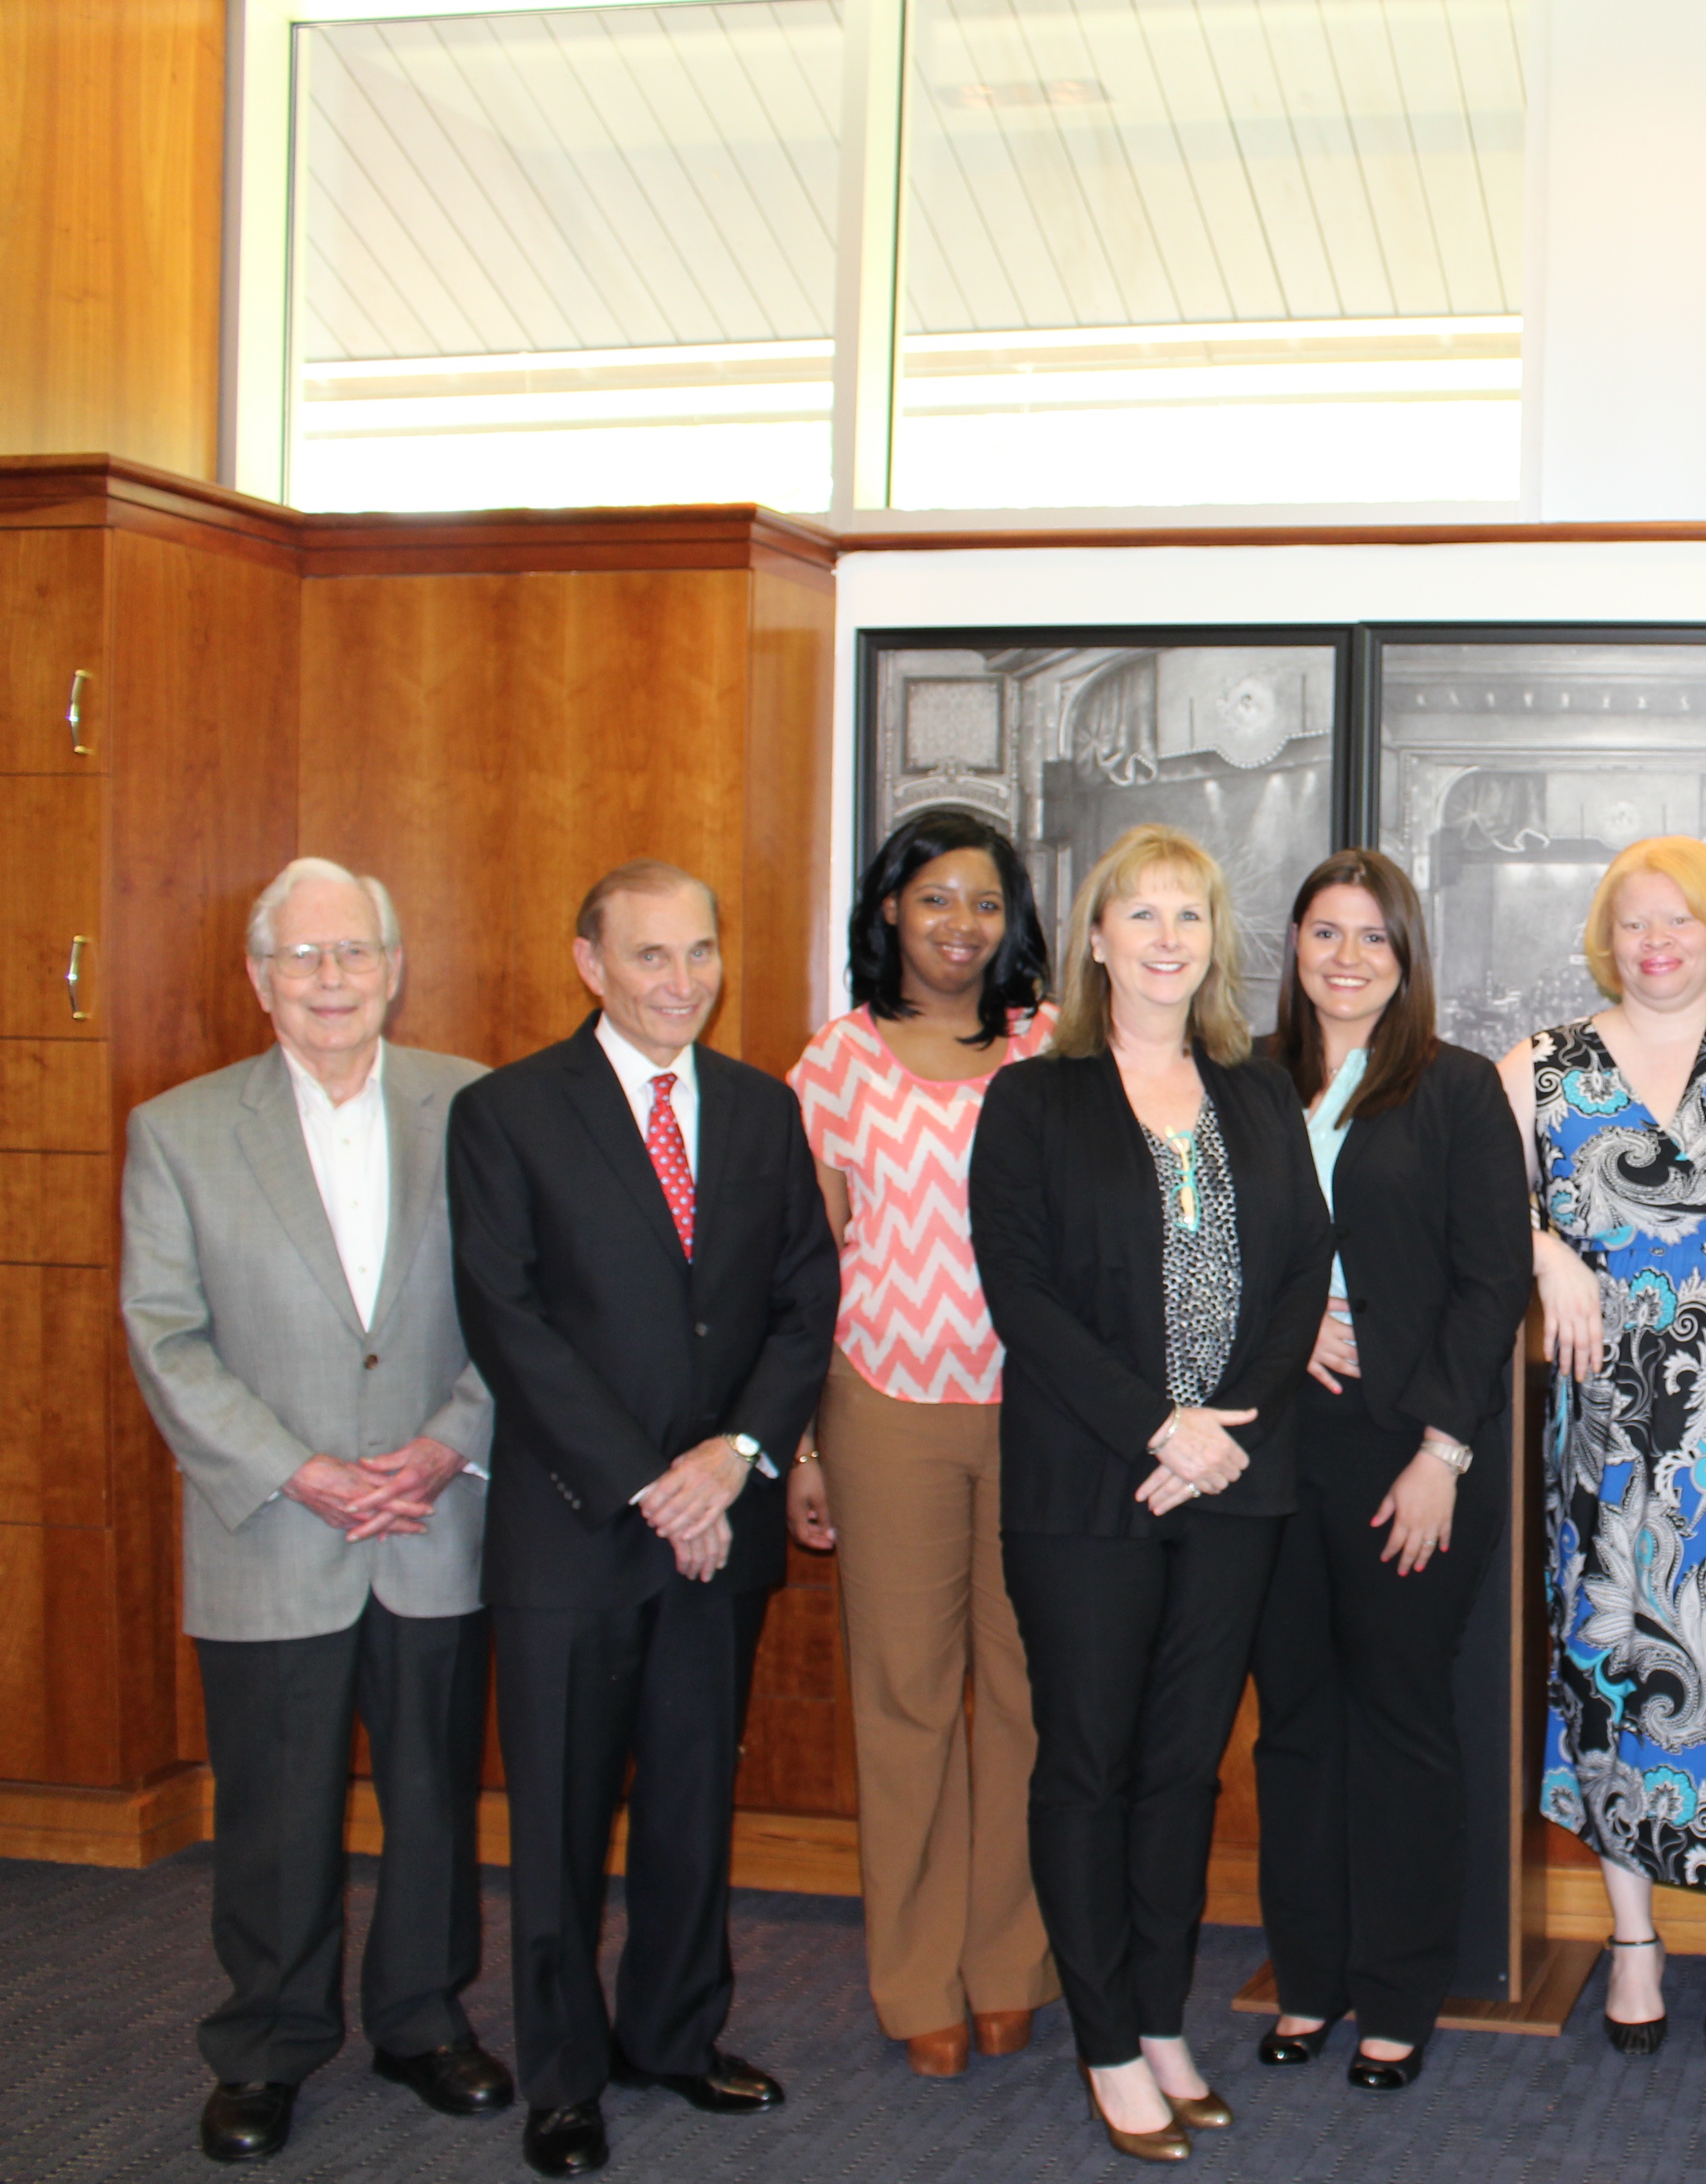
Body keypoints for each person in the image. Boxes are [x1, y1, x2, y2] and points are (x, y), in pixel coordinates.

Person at [448, 860, 839, 2180]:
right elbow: (511, 1324)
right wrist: (648, 1483)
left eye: (701, 953)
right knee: (560, 1820)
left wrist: (734, 1460)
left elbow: (803, 1304)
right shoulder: (505, 1115)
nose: (684, 981)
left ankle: (671, 2035)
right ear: (590, 963)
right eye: (653, 957)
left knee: (689, 1804)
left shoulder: (760, 1109)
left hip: (721, 1522)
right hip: (577, 1529)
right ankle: (564, 2076)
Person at [120, 858, 511, 2166]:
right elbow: (165, 1336)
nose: (331, 981)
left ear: (395, 970)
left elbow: (526, 1309)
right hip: (274, 1527)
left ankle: (420, 2020)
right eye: (303, 958)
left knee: (433, 1799)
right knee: (274, 1813)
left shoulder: (478, 1109)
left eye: (354, 955)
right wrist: (299, 1468)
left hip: (433, 1517)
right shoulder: (178, 1130)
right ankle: (269, 2045)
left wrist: (448, 1445)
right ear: (260, 979)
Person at [970, 823, 1333, 2162]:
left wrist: (1224, 1432)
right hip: (1089, 1487)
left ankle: (1163, 2014)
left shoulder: (1257, 1095)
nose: (1170, 938)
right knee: (1090, 1763)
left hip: (1236, 1485)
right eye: (1145, 914)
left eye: (1192, 915)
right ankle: (1106, 2038)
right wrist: (1157, 1429)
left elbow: (1301, 1271)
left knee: (1183, 1768)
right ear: (1099, 939)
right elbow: (1026, 1298)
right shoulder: (1034, 1101)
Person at [1507, 837, 1706, 2053]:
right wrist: (1543, 1249)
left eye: (1680, 921)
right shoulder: (1538, 1068)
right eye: (1635, 922)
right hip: (1609, 1443)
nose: (1656, 942)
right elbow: (1465, 1201)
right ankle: (1631, 1939)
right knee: (1614, 1678)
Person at [783, 811, 1060, 2078]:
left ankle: (1009, 1961)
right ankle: (914, 1980)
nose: (963, 926)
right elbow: (801, 1270)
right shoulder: (835, 1063)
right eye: (937, 899)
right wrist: (802, 1448)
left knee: (1024, 1697)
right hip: (883, 1407)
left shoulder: (1050, 1051)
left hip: (1041, 1412)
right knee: (904, 1702)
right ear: (891, 908)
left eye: (987, 904)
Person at [1248, 850, 1530, 2090]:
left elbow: (1492, 1283)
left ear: (1407, 956)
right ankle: (1309, 1979)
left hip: (1412, 1449)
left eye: (1372, 936)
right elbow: (1198, 1256)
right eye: (1324, 932)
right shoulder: (1245, 1086)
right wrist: (1288, 1313)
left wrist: (1442, 1452)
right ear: (1295, 947)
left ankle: (1400, 1996)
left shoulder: (1457, 1090)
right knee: (1294, 1727)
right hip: (1264, 1452)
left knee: (1402, 1726)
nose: (1347, 957)